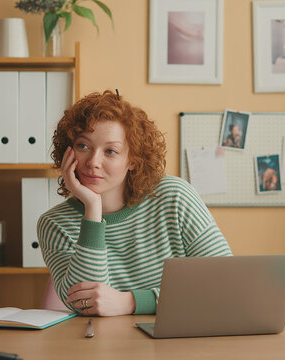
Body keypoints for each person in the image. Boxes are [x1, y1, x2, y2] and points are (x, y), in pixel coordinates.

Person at [37, 90, 232, 317]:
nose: (93, 162)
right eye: (83, 146)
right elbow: (86, 304)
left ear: (132, 160)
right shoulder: (53, 224)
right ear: (68, 151)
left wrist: (130, 302)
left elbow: (225, 283)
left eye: (110, 151)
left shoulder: (175, 198)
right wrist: (92, 208)